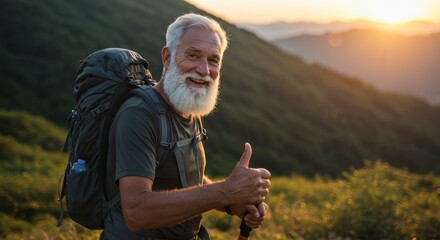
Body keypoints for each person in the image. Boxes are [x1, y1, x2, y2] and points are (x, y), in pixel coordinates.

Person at [101, 13, 271, 240]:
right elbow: (136, 211)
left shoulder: (187, 107)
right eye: (193, 55)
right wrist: (225, 191)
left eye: (213, 60)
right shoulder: (139, 115)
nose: (204, 70)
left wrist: (234, 203)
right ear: (167, 57)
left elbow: (184, 179)